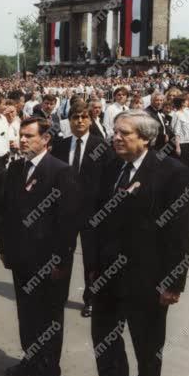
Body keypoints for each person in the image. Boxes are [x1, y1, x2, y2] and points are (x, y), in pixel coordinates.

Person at [89, 110, 189, 376]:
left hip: (147, 279)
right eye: (115, 132)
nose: (116, 138)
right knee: (104, 338)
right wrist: (93, 269)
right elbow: (97, 222)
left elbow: (181, 232)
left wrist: (173, 282)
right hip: (108, 274)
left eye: (125, 133)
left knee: (147, 349)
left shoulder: (171, 173)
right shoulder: (109, 166)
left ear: (145, 138)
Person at [0, 116, 80, 376]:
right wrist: (5, 248)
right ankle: (31, 359)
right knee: (27, 313)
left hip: (49, 261)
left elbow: (68, 222)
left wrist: (61, 259)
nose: (22, 140)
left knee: (49, 317)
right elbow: (8, 212)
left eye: (29, 136)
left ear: (45, 139)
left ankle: (49, 369)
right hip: (21, 257)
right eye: (21, 135)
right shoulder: (16, 168)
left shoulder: (60, 171)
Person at [51, 102, 114, 318]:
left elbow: (108, 183)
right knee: (62, 255)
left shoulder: (101, 147)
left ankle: (91, 299)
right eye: (76, 117)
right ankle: (58, 296)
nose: (80, 121)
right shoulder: (60, 145)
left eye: (84, 117)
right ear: (69, 120)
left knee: (92, 259)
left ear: (90, 119)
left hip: (92, 214)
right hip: (65, 213)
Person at [172, 92, 189, 176]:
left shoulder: (187, 113)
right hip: (182, 144)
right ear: (182, 103)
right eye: (186, 100)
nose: (188, 102)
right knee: (183, 167)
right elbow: (176, 132)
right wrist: (178, 147)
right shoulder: (177, 114)